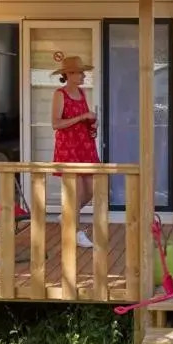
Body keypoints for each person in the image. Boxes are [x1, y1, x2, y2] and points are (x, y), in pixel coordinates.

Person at [51, 55, 100, 248]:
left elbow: (83, 120)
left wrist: (92, 125)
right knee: (77, 192)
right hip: (68, 148)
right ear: (69, 74)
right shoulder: (60, 94)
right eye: (80, 73)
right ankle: (76, 232)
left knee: (91, 190)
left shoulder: (82, 93)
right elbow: (56, 123)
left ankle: (67, 216)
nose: (83, 76)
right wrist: (82, 117)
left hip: (85, 145)